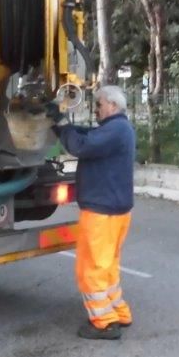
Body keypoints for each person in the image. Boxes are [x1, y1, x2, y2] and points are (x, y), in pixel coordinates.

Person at [46, 85, 136, 340]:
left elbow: (81, 146)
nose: (95, 110)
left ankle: (104, 322)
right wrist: (60, 125)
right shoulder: (119, 128)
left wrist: (60, 122)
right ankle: (119, 311)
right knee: (107, 267)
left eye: (98, 105)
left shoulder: (116, 129)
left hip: (102, 212)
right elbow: (85, 135)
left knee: (91, 268)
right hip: (114, 210)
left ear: (113, 106)